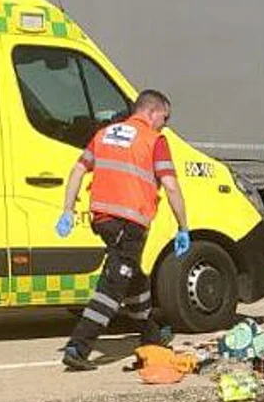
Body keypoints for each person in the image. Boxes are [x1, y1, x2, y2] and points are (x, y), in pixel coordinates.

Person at [55, 89, 190, 371]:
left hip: (103, 220)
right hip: (130, 224)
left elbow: (78, 170)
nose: (164, 124)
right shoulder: (155, 140)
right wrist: (183, 226)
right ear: (151, 112)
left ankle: (150, 334)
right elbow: (171, 185)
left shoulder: (105, 134)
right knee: (113, 286)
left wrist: (68, 210)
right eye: (164, 118)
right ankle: (78, 347)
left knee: (135, 277)